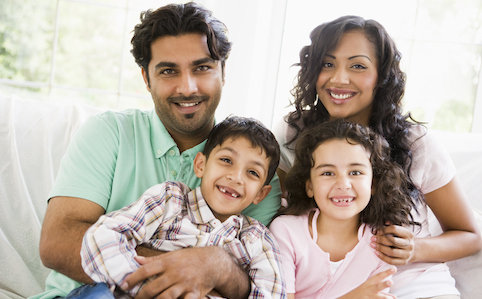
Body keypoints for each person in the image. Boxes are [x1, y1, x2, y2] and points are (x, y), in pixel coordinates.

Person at [37, 3, 281, 298]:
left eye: (202, 68)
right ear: (146, 78)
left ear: (223, 72)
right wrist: (179, 267)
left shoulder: (254, 177)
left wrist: (219, 266)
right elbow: (57, 243)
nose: (187, 87)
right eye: (168, 71)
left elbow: (256, 277)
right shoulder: (109, 133)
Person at [274, 15, 481, 299]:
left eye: (358, 66)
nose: (339, 78)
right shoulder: (292, 133)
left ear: (382, 77)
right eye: (327, 64)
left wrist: (414, 249)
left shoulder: (416, 144)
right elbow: (281, 214)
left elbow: (471, 236)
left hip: (414, 287)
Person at [72, 116, 285, 298]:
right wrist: (140, 285)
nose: (236, 177)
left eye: (252, 173)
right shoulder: (170, 199)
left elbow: (271, 293)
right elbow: (104, 235)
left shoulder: (256, 240)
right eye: (227, 160)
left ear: (261, 194)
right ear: (200, 165)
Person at [270, 119, 416, 298]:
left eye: (355, 172)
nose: (343, 184)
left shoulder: (383, 241)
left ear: (373, 184)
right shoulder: (286, 231)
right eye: (327, 173)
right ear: (309, 186)